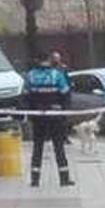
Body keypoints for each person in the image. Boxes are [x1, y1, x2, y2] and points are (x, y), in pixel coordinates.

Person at [25, 50, 74, 187]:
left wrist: (30, 113)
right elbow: (65, 93)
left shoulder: (31, 75)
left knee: (37, 147)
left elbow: (26, 96)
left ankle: (35, 179)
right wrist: (64, 112)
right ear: (49, 59)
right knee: (59, 146)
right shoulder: (56, 74)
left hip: (38, 117)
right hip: (55, 116)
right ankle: (64, 179)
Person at [49, 50, 74, 145]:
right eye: (55, 58)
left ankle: (65, 137)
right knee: (53, 118)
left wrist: (68, 91)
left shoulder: (63, 69)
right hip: (53, 96)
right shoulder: (49, 69)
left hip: (64, 97)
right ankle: (54, 137)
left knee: (64, 118)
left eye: (58, 58)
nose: (57, 60)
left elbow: (68, 82)